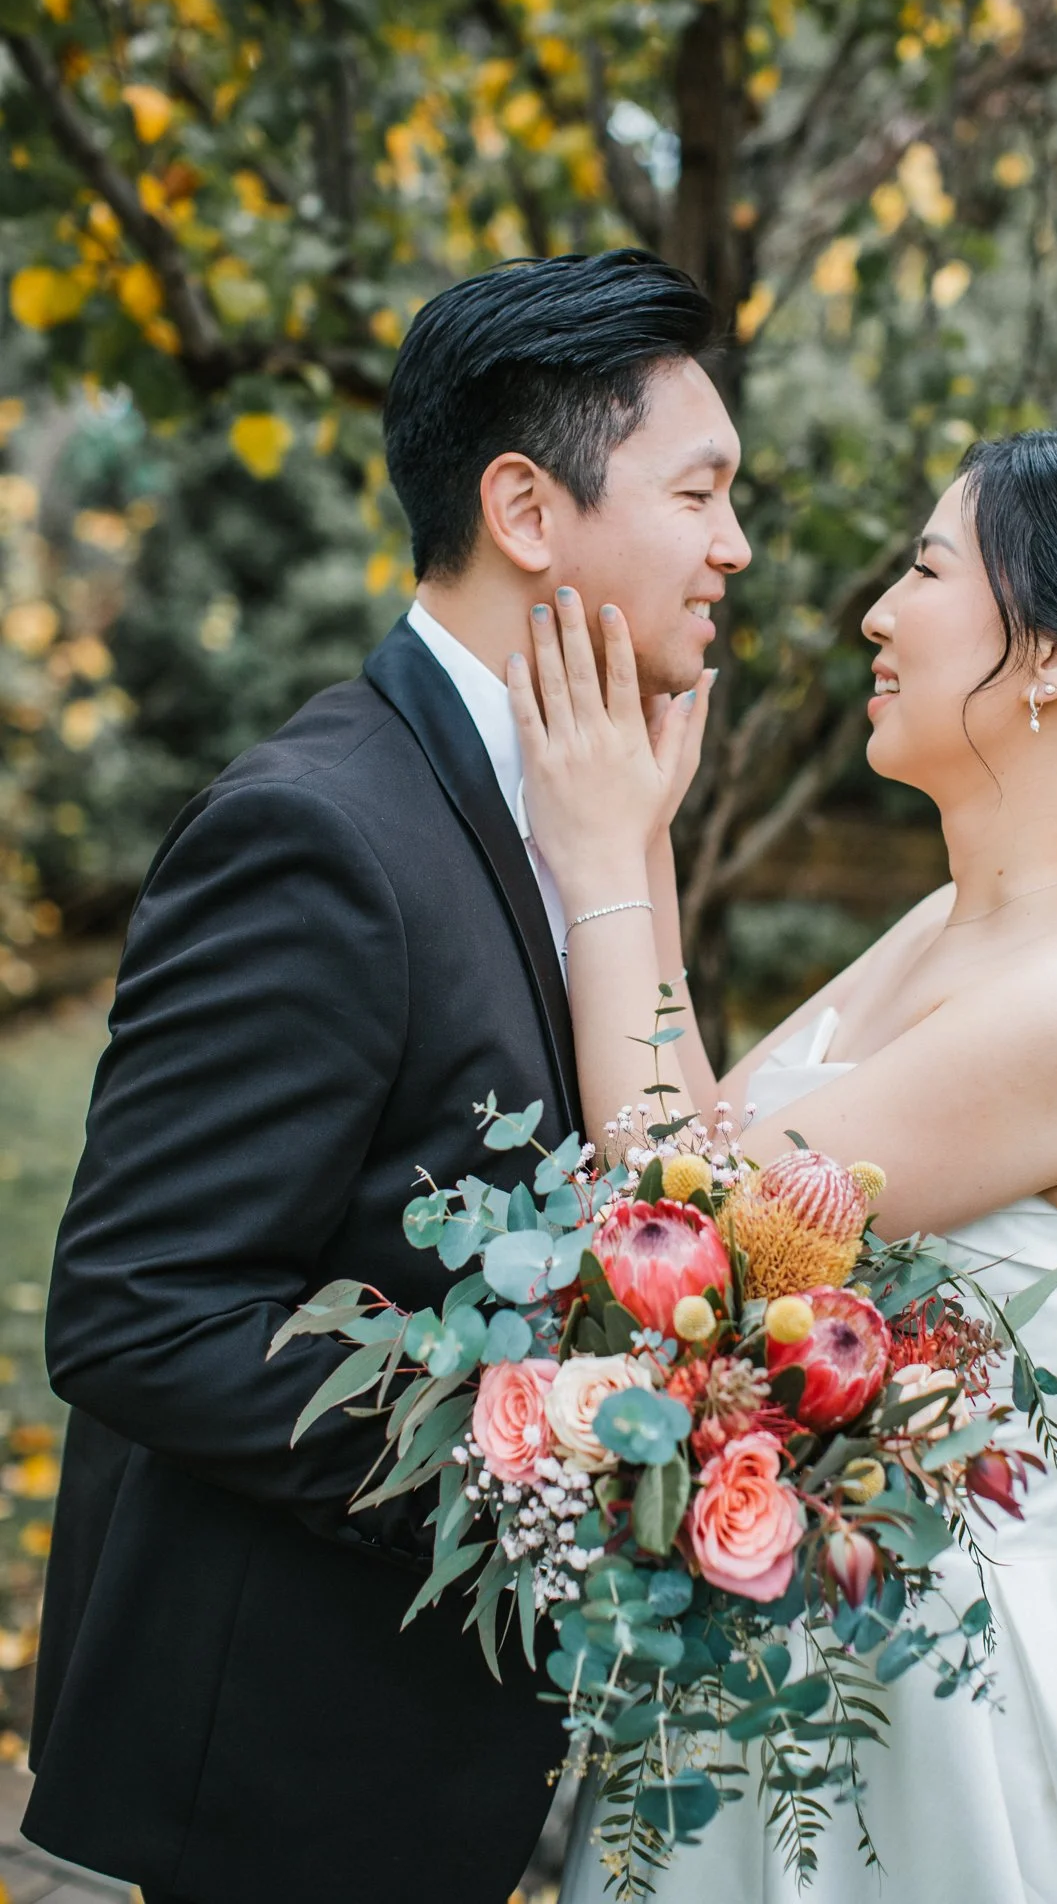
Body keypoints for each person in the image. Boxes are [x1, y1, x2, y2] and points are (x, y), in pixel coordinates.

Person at [506, 428, 1057, 1904]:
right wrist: (640, 839)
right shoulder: (955, 926)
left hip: (914, 1714)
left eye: (924, 568)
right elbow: (710, 1153)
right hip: (802, 1627)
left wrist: (593, 865)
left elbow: (668, 1230)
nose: (876, 615)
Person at [23, 249, 750, 1904]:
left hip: (439, 1749)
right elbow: (137, 1309)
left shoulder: (566, 806)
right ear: (527, 507)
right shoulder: (322, 831)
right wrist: (528, 1454)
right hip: (289, 1759)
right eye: (698, 492)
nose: (734, 547)